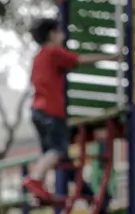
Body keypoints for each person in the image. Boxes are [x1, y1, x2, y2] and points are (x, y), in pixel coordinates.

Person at [23, 17, 118, 201]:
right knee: (57, 150)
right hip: (51, 112)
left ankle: (39, 193)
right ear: (52, 34)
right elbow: (80, 59)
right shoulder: (53, 52)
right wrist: (112, 57)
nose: (63, 36)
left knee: (53, 155)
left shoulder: (38, 57)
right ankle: (34, 180)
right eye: (60, 32)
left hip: (37, 111)